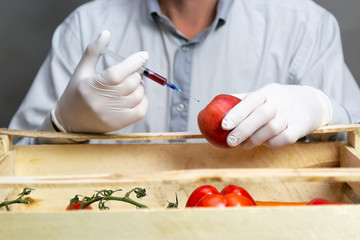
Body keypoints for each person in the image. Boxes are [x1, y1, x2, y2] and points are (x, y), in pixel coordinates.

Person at [9, 0, 360, 148]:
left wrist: (324, 110)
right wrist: (59, 125)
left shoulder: (304, 26)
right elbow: (12, 175)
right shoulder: (87, 26)